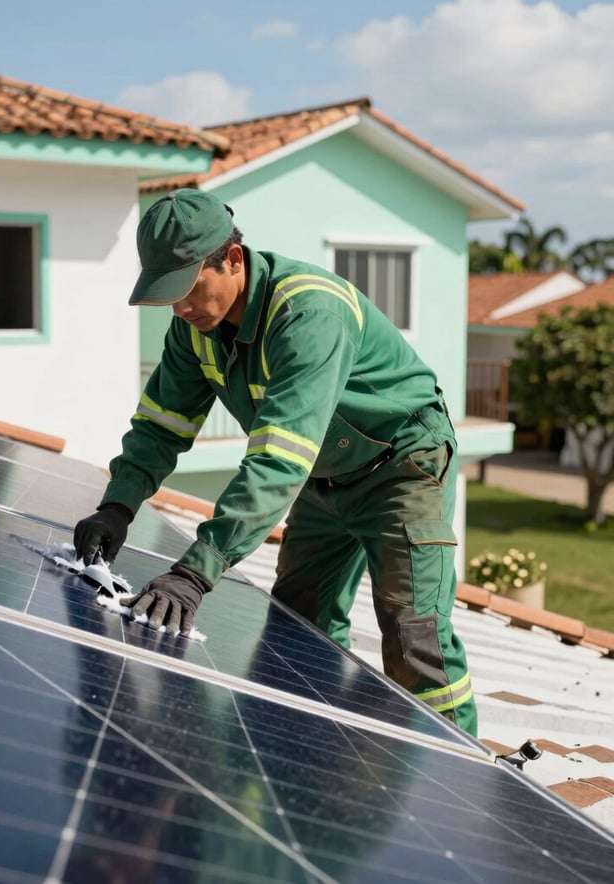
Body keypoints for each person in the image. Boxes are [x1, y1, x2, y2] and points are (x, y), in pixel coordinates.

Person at [74, 188, 478, 737]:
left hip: (402, 466)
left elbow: (279, 459)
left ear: (233, 261)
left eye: (189, 288)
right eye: (169, 295)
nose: (181, 307)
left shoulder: (309, 312)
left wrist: (196, 571)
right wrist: (118, 505)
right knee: (300, 623)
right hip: (322, 476)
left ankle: (458, 775)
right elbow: (160, 426)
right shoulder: (194, 331)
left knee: (415, 635)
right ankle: (309, 756)